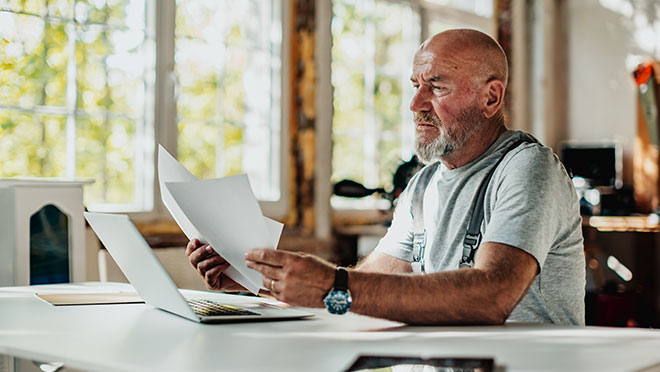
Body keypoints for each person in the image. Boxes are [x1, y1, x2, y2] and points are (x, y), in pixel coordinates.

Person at [185, 28, 585, 325]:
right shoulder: (423, 186)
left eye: (436, 86)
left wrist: (331, 287)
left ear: (491, 97)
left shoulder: (528, 168)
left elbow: (493, 295)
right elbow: (366, 285)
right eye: (415, 85)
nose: (415, 104)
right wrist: (258, 279)